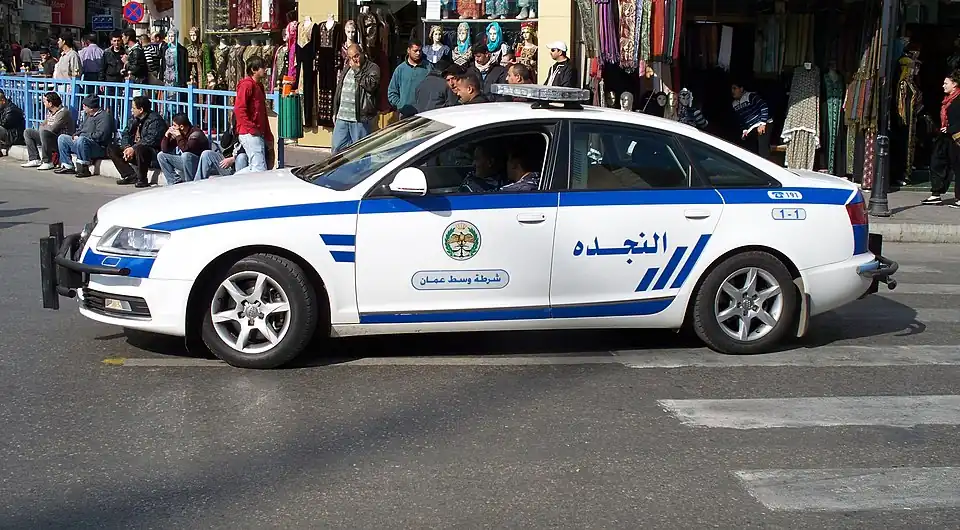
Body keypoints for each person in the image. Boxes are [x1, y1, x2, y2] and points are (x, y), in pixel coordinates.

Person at [332, 44, 381, 154]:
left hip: (359, 118)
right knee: (336, 150)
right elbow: (340, 89)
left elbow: (371, 86)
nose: (354, 59)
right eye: (351, 57)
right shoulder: (347, 67)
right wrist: (335, 111)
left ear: (362, 53)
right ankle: (340, 171)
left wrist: (358, 71)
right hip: (342, 117)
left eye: (357, 55)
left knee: (360, 152)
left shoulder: (372, 68)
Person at [108, 95, 167, 187]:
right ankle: (129, 175)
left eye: (134, 108)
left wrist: (133, 148)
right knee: (111, 148)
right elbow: (126, 133)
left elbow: (151, 139)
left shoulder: (155, 120)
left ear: (141, 110)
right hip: (133, 150)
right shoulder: (133, 119)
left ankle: (142, 179)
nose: (132, 110)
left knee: (140, 148)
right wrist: (127, 147)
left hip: (150, 153)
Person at [55, 95, 115, 178]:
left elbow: (100, 136)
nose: (83, 108)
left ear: (91, 108)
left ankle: (84, 168)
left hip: (98, 147)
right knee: (62, 138)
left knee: (82, 140)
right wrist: (75, 135)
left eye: (85, 106)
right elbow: (81, 129)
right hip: (81, 143)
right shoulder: (88, 116)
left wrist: (82, 137)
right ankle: (67, 166)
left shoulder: (105, 117)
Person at [924, 71, 960, 206]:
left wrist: (951, 128)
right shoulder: (947, 100)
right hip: (945, 137)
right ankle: (936, 193)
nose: (943, 86)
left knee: (958, 167)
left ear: (954, 84)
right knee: (936, 161)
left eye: (946, 83)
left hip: (957, 137)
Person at [234, 56, 273, 173]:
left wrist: (268, 135)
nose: (265, 70)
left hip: (257, 132)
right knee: (259, 168)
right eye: (263, 67)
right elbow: (239, 109)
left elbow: (263, 113)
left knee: (255, 167)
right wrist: (252, 128)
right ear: (254, 70)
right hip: (249, 132)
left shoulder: (259, 86)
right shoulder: (247, 85)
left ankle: (232, 181)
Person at [22, 92, 74, 170]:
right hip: (47, 137)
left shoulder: (63, 113)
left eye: (45, 101)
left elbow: (53, 129)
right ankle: (34, 159)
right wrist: (45, 127)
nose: (43, 103)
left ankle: (47, 161)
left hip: (59, 141)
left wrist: (45, 127)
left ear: (50, 103)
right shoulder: (50, 112)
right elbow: (42, 125)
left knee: (44, 132)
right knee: (28, 132)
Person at [157, 113, 210, 185]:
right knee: (161, 155)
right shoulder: (180, 133)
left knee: (186, 155)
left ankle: (189, 183)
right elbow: (165, 149)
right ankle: (174, 181)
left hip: (199, 164)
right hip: (186, 162)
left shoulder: (196, 134)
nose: (173, 127)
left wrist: (178, 136)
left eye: (175, 125)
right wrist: (166, 136)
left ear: (181, 127)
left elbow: (185, 149)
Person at [388, 39, 430, 118]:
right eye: (415, 51)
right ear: (408, 50)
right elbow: (392, 92)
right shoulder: (400, 69)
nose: (418, 53)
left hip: (425, 114)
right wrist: (401, 105)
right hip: (405, 115)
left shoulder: (428, 68)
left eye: (420, 51)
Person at [731, 81, 772, 158]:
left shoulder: (750, 96)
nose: (732, 91)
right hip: (751, 128)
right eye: (731, 89)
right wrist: (744, 130)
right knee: (748, 146)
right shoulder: (734, 104)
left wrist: (763, 123)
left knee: (762, 147)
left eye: (734, 88)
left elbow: (763, 106)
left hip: (763, 123)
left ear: (741, 89)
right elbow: (740, 120)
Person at [0, 90, 25, 156]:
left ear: (3, 100)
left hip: (14, 136)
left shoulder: (12, 110)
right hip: (8, 133)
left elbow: (4, 124)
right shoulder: (3, 108)